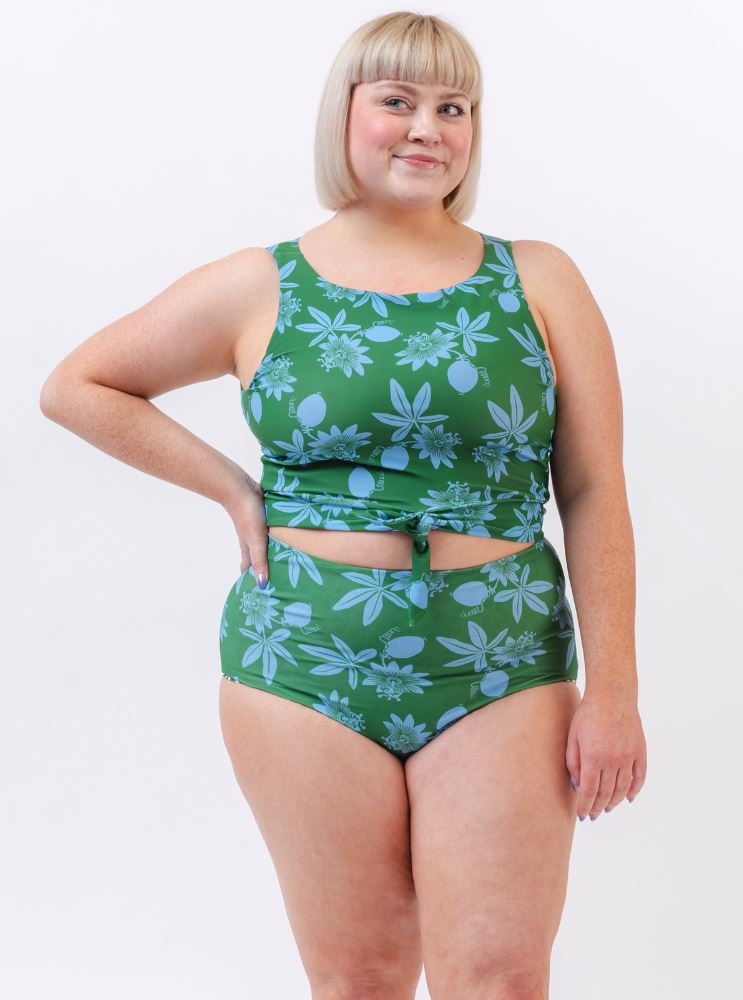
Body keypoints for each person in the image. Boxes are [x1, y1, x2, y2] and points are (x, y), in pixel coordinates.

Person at [39, 10, 646, 999]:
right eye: (396, 101)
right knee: (358, 976)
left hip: (501, 657)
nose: (426, 128)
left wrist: (614, 691)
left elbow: (591, 486)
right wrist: (231, 488)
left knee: (497, 976)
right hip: (302, 658)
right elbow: (79, 385)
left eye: (452, 107)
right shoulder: (258, 283)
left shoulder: (537, 277)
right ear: (345, 116)